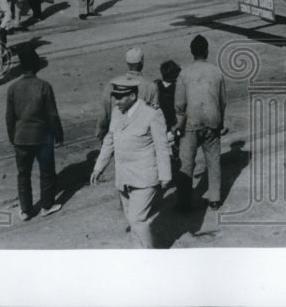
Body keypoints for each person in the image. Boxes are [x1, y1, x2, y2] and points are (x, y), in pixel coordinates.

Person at [90, 78, 172, 249]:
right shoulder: (117, 112)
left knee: (137, 219)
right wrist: (98, 167)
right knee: (131, 219)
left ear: (133, 96)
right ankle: (139, 255)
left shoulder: (152, 114)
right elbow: (109, 140)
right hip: (124, 177)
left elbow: (162, 147)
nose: (116, 101)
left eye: (120, 97)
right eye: (115, 97)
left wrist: (165, 175)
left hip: (145, 177)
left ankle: (150, 258)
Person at [5, 47, 64, 221]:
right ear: (36, 64)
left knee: (23, 174)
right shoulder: (44, 86)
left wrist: (12, 137)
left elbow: (9, 117)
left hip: (21, 138)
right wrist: (58, 133)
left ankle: (25, 210)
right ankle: (46, 205)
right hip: (42, 137)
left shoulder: (13, 88)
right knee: (47, 172)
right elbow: (52, 114)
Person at [173, 34, 227, 211]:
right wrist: (221, 121)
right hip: (212, 120)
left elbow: (179, 103)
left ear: (191, 52)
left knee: (186, 163)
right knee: (213, 159)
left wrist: (178, 123)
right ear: (207, 51)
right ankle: (215, 198)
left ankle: (184, 203)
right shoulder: (216, 71)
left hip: (191, 122)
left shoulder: (184, 73)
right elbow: (223, 101)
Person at [96, 47, 161, 144]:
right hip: (139, 138)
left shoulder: (112, 83)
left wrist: (101, 133)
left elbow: (104, 113)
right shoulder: (151, 86)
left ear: (127, 62)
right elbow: (154, 115)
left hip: (117, 135)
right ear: (142, 62)